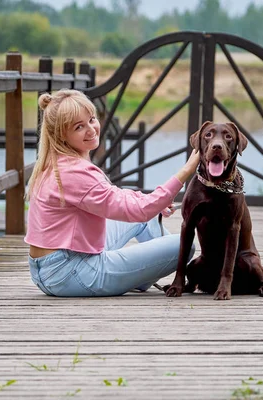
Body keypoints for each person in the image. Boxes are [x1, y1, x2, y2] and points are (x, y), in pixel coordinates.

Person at [25, 89, 200, 297]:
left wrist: (155, 202)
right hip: (70, 273)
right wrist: (186, 172)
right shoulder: (75, 173)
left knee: (150, 219)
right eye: (79, 127)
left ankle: (140, 274)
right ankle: (139, 274)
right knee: (183, 245)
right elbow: (138, 210)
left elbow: (118, 199)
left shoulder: (54, 163)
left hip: (49, 268)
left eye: (91, 119)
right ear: (62, 135)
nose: (91, 130)